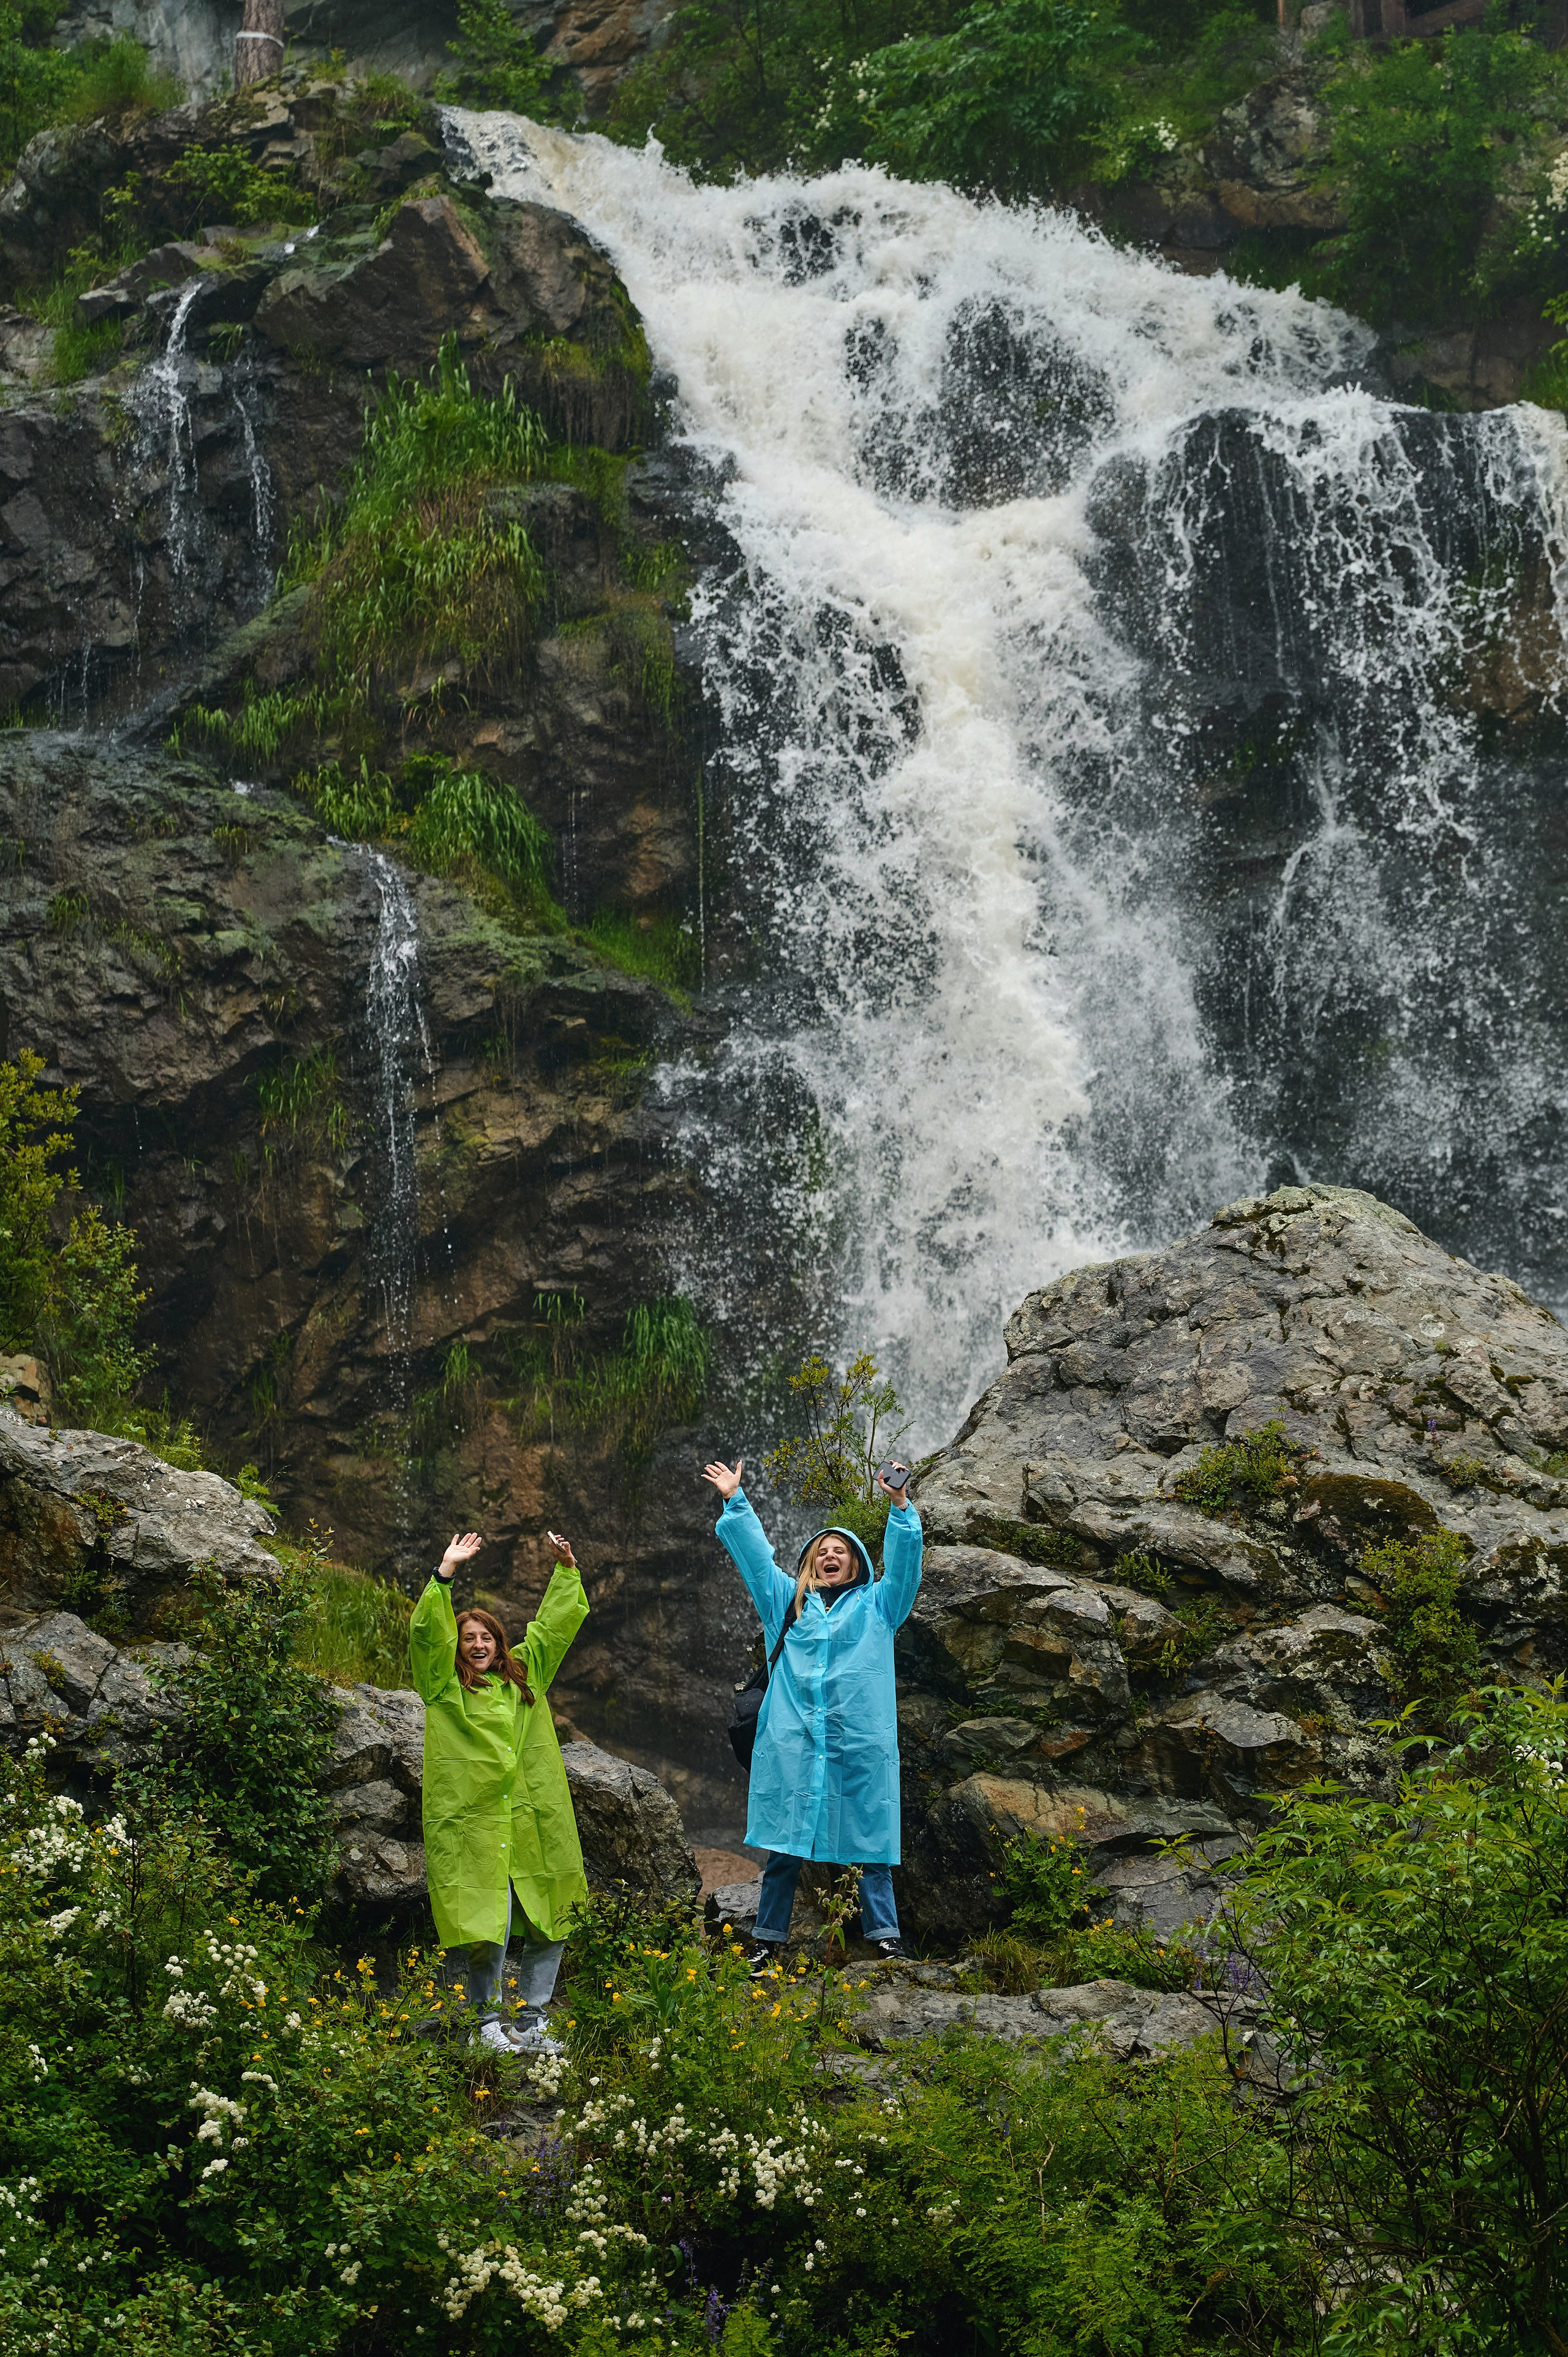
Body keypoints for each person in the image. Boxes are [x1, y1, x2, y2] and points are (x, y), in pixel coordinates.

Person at [703, 1455, 922, 1969]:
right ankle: (767, 1940)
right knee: (784, 1848)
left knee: (870, 1843)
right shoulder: (788, 1602)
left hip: (858, 1744)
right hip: (795, 1741)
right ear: (810, 1564)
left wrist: (899, 1506)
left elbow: (906, 1570)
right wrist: (736, 1500)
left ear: (856, 1563)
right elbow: (758, 1562)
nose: (830, 1556)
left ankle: (886, 1938)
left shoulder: (880, 1605)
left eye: (840, 1551)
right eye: (822, 1551)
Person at [409, 1526, 590, 2054]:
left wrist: (565, 1569)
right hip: (473, 1822)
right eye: (469, 1638)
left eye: (487, 1636)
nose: (480, 1643)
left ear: (500, 1643)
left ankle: (532, 2021)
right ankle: (485, 2024)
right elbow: (426, 1636)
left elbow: (554, 1629)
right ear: (458, 1649)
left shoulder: (526, 1678)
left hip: (535, 1818)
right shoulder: (443, 1688)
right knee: (484, 1923)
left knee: (550, 1916)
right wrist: (445, 1573)